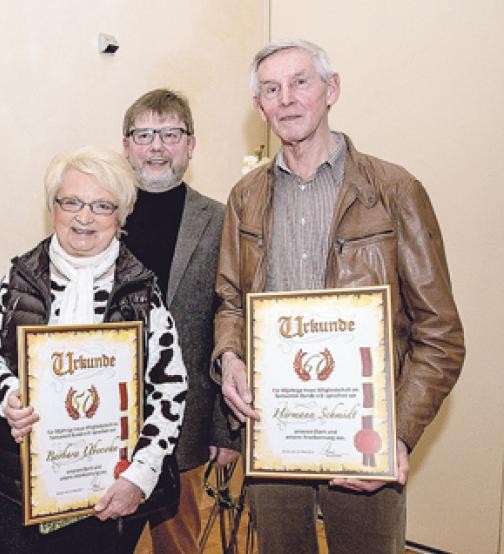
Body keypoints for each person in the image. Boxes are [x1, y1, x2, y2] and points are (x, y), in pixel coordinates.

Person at [214, 39, 465, 553]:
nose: (286, 99)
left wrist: (400, 433)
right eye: (270, 89)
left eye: (300, 83)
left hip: (365, 434)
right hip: (275, 432)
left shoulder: (395, 191)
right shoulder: (244, 197)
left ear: (332, 89)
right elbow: (230, 301)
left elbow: (440, 333)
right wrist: (230, 355)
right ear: (258, 106)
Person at [0, 145, 189, 553]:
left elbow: (169, 389)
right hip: (19, 486)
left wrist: (138, 476)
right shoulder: (18, 279)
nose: (84, 217)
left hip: (110, 487)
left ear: (121, 215)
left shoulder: (143, 291)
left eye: (102, 205)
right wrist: (12, 397)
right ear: (53, 206)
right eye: (71, 202)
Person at [119, 89, 239, 552]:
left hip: (186, 421)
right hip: (109, 418)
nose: (156, 147)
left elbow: (230, 319)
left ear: (190, 145)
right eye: (144, 134)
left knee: (178, 543)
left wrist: (225, 430)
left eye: (170, 134)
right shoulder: (99, 213)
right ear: (126, 145)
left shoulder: (220, 220)